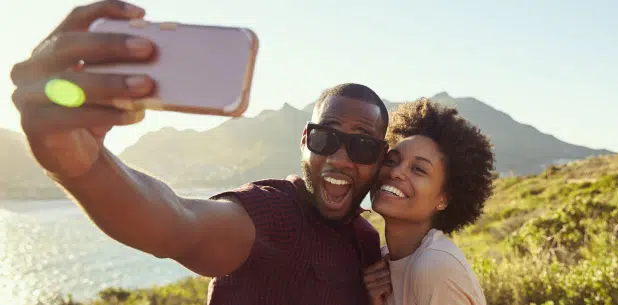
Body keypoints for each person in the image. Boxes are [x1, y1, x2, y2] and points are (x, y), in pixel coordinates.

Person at [10, 1, 389, 304]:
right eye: (327, 139)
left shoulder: (367, 243)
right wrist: (84, 169)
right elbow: (179, 225)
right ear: (305, 140)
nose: (340, 159)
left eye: (362, 145)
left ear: (380, 158)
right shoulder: (272, 215)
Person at [362, 98, 494, 305]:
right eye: (391, 160)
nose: (396, 172)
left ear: (443, 199)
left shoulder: (435, 266)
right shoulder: (385, 261)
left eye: (418, 169)